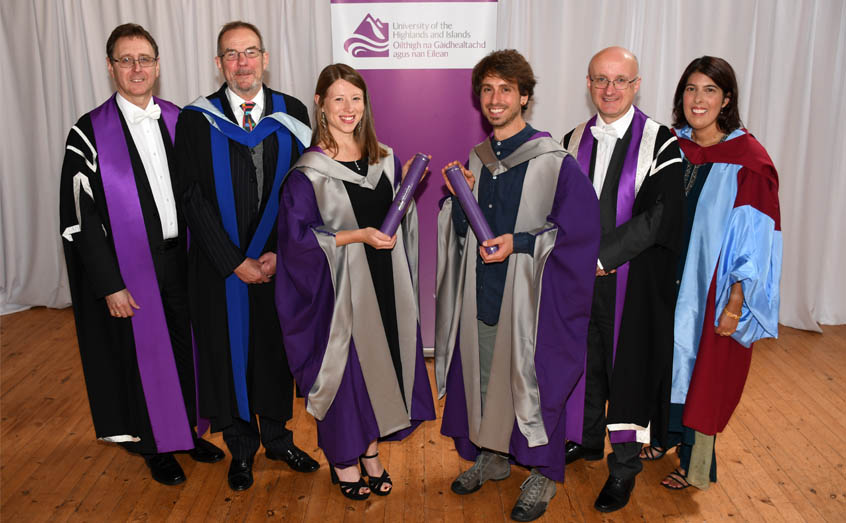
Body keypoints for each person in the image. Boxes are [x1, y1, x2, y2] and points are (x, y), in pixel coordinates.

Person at [435, 49, 600, 522]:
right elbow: (466, 230)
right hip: (484, 290)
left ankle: (544, 474)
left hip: (534, 298)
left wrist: (521, 243)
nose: (495, 98)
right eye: (487, 89)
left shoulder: (554, 161)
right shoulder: (478, 159)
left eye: (506, 89)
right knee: (487, 370)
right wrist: (460, 199)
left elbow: (580, 234)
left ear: (525, 96)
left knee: (534, 382)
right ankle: (494, 454)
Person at [59, 23, 224, 486]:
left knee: (187, 346)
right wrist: (109, 283)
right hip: (132, 267)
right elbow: (81, 220)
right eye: (126, 60)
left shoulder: (179, 119)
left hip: (185, 259)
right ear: (110, 67)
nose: (137, 68)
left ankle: (189, 432)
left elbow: (202, 196)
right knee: (145, 354)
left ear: (158, 65)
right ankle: (156, 444)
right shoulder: (88, 132)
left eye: (144, 59)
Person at [275, 63, 436, 501]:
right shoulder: (308, 173)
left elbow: (402, 224)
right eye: (338, 99)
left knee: (380, 367)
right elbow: (296, 240)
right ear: (321, 105)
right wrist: (358, 236)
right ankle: (344, 460)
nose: (348, 109)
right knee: (347, 376)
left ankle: (369, 451)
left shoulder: (386, 160)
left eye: (356, 99)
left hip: (383, 284)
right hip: (338, 292)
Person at [173, 21, 318, 491]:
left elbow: (306, 191)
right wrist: (234, 260)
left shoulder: (292, 113)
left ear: (265, 58)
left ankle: (278, 438)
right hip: (222, 270)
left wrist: (279, 251)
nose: (242, 63)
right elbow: (191, 197)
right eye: (231, 55)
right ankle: (241, 449)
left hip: (279, 265)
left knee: (274, 353)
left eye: (250, 52)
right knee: (227, 353)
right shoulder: (197, 119)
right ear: (219, 64)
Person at [560, 46, 684, 513]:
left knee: (625, 373)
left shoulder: (662, 141)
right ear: (589, 84)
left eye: (620, 81)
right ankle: (588, 439)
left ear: (636, 85)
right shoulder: (572, 139)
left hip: (631, 282)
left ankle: (624, 467)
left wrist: (603, 257)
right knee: (585, 362)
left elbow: (660, 215)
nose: (609, 90)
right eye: (600, 80)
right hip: (578, 280)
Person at [652, 56, 781, 491]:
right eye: (691, 88)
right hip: (665, 276)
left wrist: (735, 302)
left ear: (727, 99)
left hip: (710, 288)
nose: (698, 99)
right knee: (661, 357)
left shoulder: (749, 161)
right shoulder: (672, 145)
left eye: (710, 90)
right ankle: (664, 435)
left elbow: (755, 242)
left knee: (702, 370)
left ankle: (697, 464)